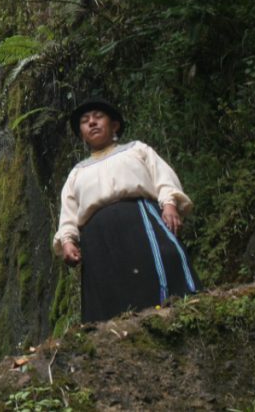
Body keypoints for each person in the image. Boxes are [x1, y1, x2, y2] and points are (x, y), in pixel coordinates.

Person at [53, 98, 200, 323]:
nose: (91, 122)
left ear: (115, 125)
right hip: (98, 239)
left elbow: (162, 177)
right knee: (109, 293)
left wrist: (169, 203)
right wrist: (68, 241)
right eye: (85, 121)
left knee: (164, 262)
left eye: (98, 117)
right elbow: (69, 214)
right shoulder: (77, 173)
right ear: (82, 134)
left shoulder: (137, 150)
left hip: (141, 220)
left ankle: (179, 316)